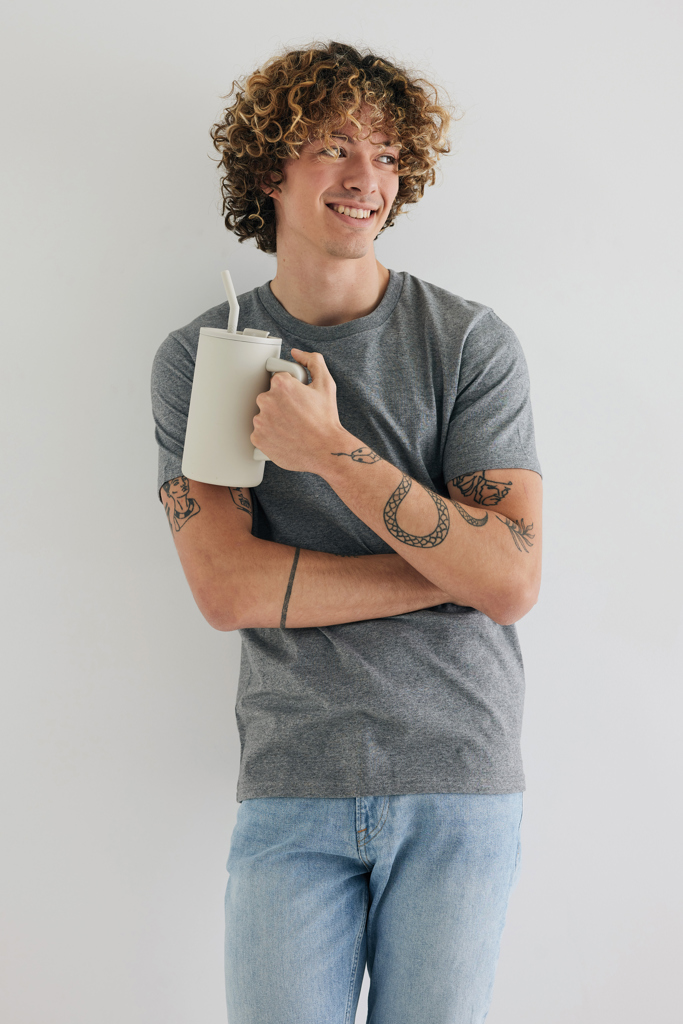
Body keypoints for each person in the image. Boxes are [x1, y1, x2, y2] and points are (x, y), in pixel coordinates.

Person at [151, 40, 543, 1024]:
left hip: (457, 775)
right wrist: (448, 569)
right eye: (332, 146)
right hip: (295, 780)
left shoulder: (466, 343)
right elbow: (228, 590)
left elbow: (510, 581)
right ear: (268, 170)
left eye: (385, 152)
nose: (365, 176)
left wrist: (328, 451)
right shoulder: (207, 359)